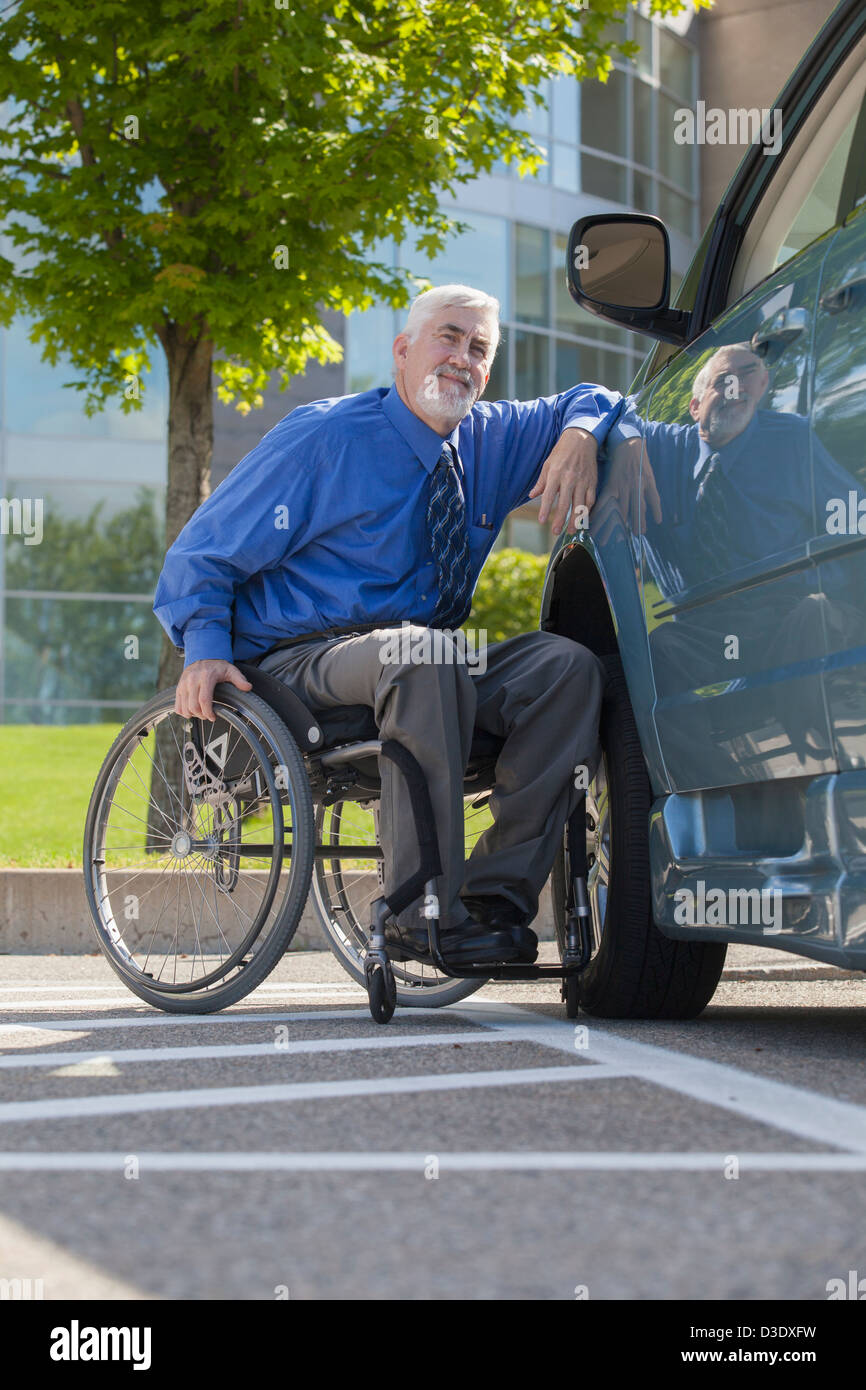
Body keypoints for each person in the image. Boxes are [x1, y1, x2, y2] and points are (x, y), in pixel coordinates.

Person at [153, 283, 626, 967]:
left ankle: (493, 902)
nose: (463, 357)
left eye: (480, 348)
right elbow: (202, 552)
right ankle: (417, 909)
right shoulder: (325, 436)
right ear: (403, 351)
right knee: (423, 655)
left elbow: (598, 396)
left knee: (566, 669)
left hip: (418, 666)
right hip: (300, 663)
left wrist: (580, 435)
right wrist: (202, 649)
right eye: (449, 337)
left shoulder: (491, 440)